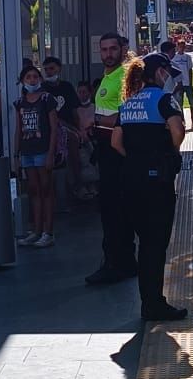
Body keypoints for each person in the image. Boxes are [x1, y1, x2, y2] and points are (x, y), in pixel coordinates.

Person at [112, 52, 188, 322]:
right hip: (157, 183)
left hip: (131, 181)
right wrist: (167, 152)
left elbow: (116, 143)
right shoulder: (165, 100)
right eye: (166, 71)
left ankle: (149, 301)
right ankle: (154, 304)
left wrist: (136, 159)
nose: (168, 76)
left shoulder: (129, 102)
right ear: (158, 73)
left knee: (145, 243)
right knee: (156, 245)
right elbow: (178, 132)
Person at [85, 31, 137, 286]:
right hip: (106, 150)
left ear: (122, 49)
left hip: (117, 153)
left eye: (112, 49)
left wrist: (97, 121)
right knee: (112, 210)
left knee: (114, 210)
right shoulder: (108, 77)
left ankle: (116, 263)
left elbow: (128, 116)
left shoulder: (125, 76)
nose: (108, 54)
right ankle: (121, 261)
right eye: (104, 50)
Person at [12, 62, 61, 247]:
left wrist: (51, 153)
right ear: (22, 81)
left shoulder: (47, 99)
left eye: (35, 76)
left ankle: (48, 231)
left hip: (42, 149)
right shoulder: (19, 103)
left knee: (46, 189)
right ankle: (37, 230)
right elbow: (18, 129)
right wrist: (16, 155)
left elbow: (54, 127)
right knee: (33, 190)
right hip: (27, 151)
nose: (32, 80)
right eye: (28, 77)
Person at [40, 54, 82, 193]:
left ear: (59, 69)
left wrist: (80, 129)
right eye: (46, 69)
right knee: (71, 139)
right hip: (53, 128)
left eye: (51, 68)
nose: (49, 72)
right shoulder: (43, 89)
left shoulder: (67, 86)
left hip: (70, 125)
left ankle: (79, 182)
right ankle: (75, 184)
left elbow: (75, 111)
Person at [163, 33, 193, 131]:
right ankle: (182, 121)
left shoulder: (187, 57)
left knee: (192, 103)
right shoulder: (174, 58)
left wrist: (190, 82)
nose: (181, 48)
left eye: (183, 46)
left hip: (187, 84)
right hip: (179, 85)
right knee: (179, 104)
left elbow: (190, 70)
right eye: (180, 46)